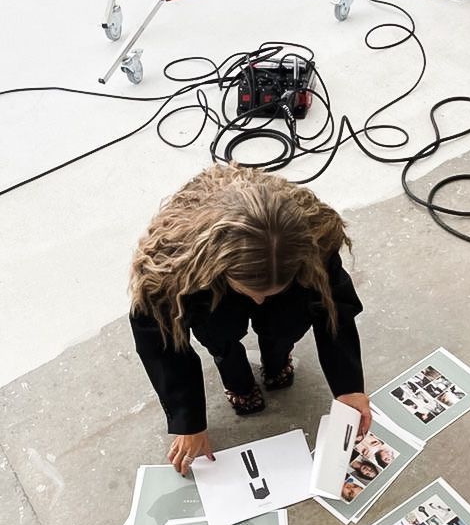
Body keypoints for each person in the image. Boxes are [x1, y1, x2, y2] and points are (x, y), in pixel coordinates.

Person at [129, 163, 371, 473]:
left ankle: (277, 355)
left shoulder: (313, 238)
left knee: (286, 319)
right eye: (253, 291)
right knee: (218, 329)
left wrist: (348, 386)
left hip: (284, 273)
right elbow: (159, 342)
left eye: (269, 291)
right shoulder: (172, 264)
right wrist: (187, 420)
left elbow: (334, 309)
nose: (259, 300)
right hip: (210, 286)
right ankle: (235, 376)